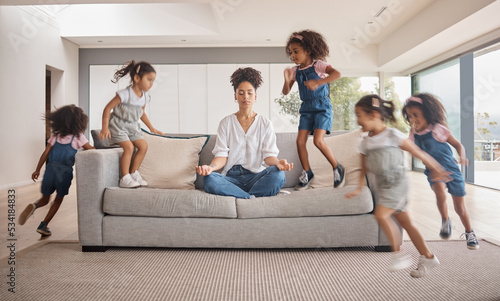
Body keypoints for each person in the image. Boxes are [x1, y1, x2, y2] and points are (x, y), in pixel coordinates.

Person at [346, 94, 452, 278]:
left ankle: (398, 255)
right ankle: (428, 257)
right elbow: (363, 167)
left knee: (381, 214)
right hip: (384, 188)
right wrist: (358, 187)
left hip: (398, 184)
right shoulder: (365, 142)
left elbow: (417, 152)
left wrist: (436, 168)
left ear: (373, 115)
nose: (357, 121)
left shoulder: (392, 135)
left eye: (359, 115)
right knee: (407, 224)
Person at [196, 67, 293, 199]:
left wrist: (278, 163)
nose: (245, 97)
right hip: (231, 179)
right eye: (241, 93)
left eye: (249, 93)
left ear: (255, 96)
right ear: (235, 96)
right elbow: (221, 156)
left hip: (256, 177)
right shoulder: (226, 123)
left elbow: (268, 156)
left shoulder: (265, 124)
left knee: (278, 175)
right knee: (209, 179)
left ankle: (241, 197)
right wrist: (210, 168)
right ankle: (250, 198)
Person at [402, 93, 479, 250]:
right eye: (409, 116)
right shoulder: (413, 135)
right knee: (439, 191)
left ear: (427, 114)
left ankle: (469, 232)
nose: (412, 119)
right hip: (433, 172)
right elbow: (409, 148)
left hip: (451, 170)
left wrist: (462, 157)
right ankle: (445, 221)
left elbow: (458, 145)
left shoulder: (437, 129)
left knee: (460, 209)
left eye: (415, 115)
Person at [282, 30, 345, 191]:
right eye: (291, 53)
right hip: (306, 109)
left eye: (296, 51)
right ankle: (307, 172)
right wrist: (287, 79)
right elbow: (285, 91)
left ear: (308, 51)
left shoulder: (318, 65)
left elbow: (337, 74)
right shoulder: (295, 71)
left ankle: (337, 167)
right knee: (300, 141)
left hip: (322, 107)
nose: (293, 56)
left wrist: (318, 82)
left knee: (318, 141)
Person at [19, 105, 94, 236]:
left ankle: (35, 205)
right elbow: (92, 150)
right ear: (79, 122)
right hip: (64, 173)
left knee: (45, 199)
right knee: (58, 200)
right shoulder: (78, 137)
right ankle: (43, 225)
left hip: (50, 170)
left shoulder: (56, 136)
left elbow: (45, 153)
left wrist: (37, 170)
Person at [98, 60, 164, 188]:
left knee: (143, 146)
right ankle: (124, 177)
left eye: (153, 80)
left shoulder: (145, 97)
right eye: (149, 79)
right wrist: (104, 128)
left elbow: (141, 114)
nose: (151, 84)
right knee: (129, 147)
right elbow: (107, 108)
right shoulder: (125, 94)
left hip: (132, 126)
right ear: (137, 78)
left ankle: (134, 173)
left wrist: (152, 128)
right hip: (118, 126)